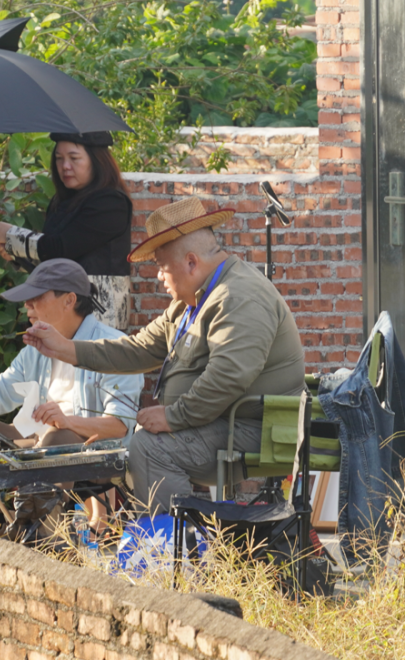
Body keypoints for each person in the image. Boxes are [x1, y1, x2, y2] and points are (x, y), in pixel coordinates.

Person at [23, 197, 306, 516]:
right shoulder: (191, 303)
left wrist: (173, 416)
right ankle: (168, 533)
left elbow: (228, 377)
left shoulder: (239, 296)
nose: (158, 276)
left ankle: (170, 543)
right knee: (143, 442)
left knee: (150, 447)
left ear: (191, 262)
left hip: (257, 430)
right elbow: (138, 349)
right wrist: (65, 348)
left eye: (161, 266)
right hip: (225, 423)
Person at [0, 258, 142, 530]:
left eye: (37, 297)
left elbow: (120, 425)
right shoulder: (35, 350)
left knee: (56, 437)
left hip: (91, 453)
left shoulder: (114, 347)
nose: (27, 305)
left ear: (69, 300)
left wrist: (67, 421)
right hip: (36, 443)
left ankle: (44, 536)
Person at [0, 132, 133, 330]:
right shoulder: (62, 202)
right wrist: (15, 254)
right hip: (61, 315)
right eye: (59, 158)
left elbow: (60, 248)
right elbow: (53, 264)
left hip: (98, 319)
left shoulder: (111, 203)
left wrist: (10, 236)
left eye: (74, 158)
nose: (65, 166)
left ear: (97, 161)